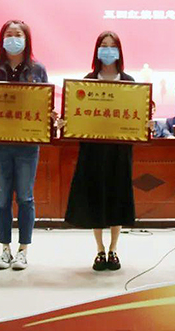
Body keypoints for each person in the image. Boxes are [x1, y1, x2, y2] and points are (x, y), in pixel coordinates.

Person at [0, 20, 48, 270]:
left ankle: (23, 250)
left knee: (25, 198)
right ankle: (4, 249)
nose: (13, 38)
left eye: (18, 34)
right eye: (8, 34)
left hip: (27, 145)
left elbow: (44, 104)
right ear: (1, 38)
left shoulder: (37, 70)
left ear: (27, 40)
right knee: (2, 198)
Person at [64, 31, 136, 271]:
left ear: (119, 51)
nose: (108, 50)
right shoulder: (87, 81)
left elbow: (136, 114)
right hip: (93, 152)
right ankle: (99, 250)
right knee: (95, 198)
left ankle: (114, 249)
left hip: (119, 151)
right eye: (103, 45)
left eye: (112, 46)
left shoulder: (129, 82)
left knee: (117, 198)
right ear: (96, 50)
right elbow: (77, 115)